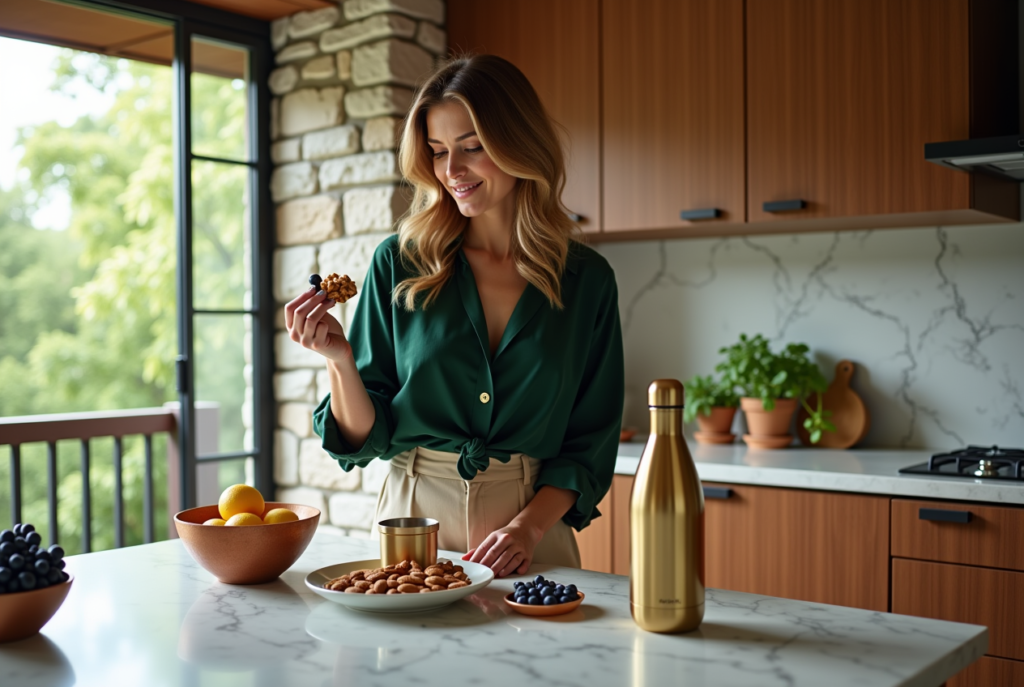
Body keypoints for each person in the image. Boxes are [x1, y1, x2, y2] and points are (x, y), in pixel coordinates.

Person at [284, 55, 623, 578]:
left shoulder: (587, 280)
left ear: (520, 143)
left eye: (472, 147)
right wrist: (340, 361)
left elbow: (589, 440)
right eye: (439, 152)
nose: (451, 172)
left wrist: (528, 528)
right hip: (414, 517)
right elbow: (364, 436)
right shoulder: (398, 263)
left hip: (530, 530)